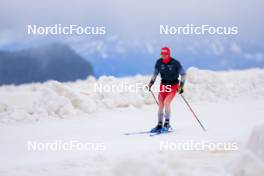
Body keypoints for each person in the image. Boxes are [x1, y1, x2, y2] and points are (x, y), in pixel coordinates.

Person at [148, 47, 186, 132]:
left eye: (165, 54)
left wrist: (181, 86)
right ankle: (159, 124)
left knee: (166, 102)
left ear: (168, 54)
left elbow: (183, 74)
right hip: (163, 86)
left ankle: (167, 123)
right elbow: (155, 73)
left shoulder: (175, 63)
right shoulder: (159, 62)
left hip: (173, 86)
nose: (163, 56)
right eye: (162, 54)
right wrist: (151, 83)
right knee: (161, 105)